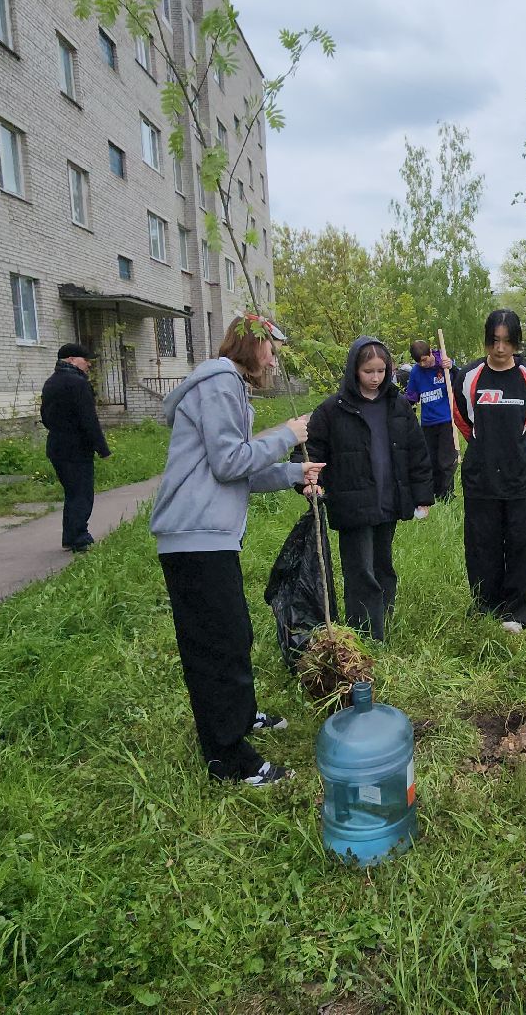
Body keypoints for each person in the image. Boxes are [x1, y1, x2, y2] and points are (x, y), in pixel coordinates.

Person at [150, 314, 324, 787]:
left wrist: (293, 474)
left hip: (209, 535)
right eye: (272, 348)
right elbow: (230, 462)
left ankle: (240, 716)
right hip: (194, 536)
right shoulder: (222, 382)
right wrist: (288, 434)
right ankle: (228, 758)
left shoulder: (231, 388)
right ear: (253, 345)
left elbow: (238, 471)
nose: (275, 357)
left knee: (234, 634)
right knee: (216, 645)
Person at [306, 337, 434, 641]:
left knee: (382, 565)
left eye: (381, 371)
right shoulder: (332, 410)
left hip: (388, 499)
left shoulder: (398, 406)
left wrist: (423, 496)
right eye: (368, 372)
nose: (375, 378)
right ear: (354, 371)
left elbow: (417, 452)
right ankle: (365, 633)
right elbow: (309, 450)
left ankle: (382, 621)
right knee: (360, 570)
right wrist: (310, 481)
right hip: (353, 504)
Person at [452, 309, 526, 633]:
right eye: (494, 341)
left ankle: (518, 612)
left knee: (523, 543)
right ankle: (485, 605)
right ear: (486, 340)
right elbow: (463, 420)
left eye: (507, 342)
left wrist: (515, 450)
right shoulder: (468, 377)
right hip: (481, 478)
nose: (500, 349)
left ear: (516, 343)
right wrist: (486, 449)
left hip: (523, 478)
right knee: (482, 544)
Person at [40, 342, 110, 552]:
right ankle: (79, 538)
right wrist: (102, 448)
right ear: (71, 359)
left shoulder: (51, 382)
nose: (88, 364)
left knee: (72, 492)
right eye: (85, 360)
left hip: (57, 446)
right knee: (82, 493)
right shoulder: (77, 383)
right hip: (76, 448)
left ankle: (70, 536)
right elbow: (88, 419)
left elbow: (45, 416)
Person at [401, 339, 457, 515]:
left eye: (426, 359)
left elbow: (459, 380)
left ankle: (447, 494)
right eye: (420, 362)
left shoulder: (444, 364)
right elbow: (411, 397)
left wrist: (452, 368)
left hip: (447, 420)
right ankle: (433, 494)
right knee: (430, 460)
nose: (424, 364)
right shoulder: (417, 372)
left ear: (431, 353)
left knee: (446, 460)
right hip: (428, 422)